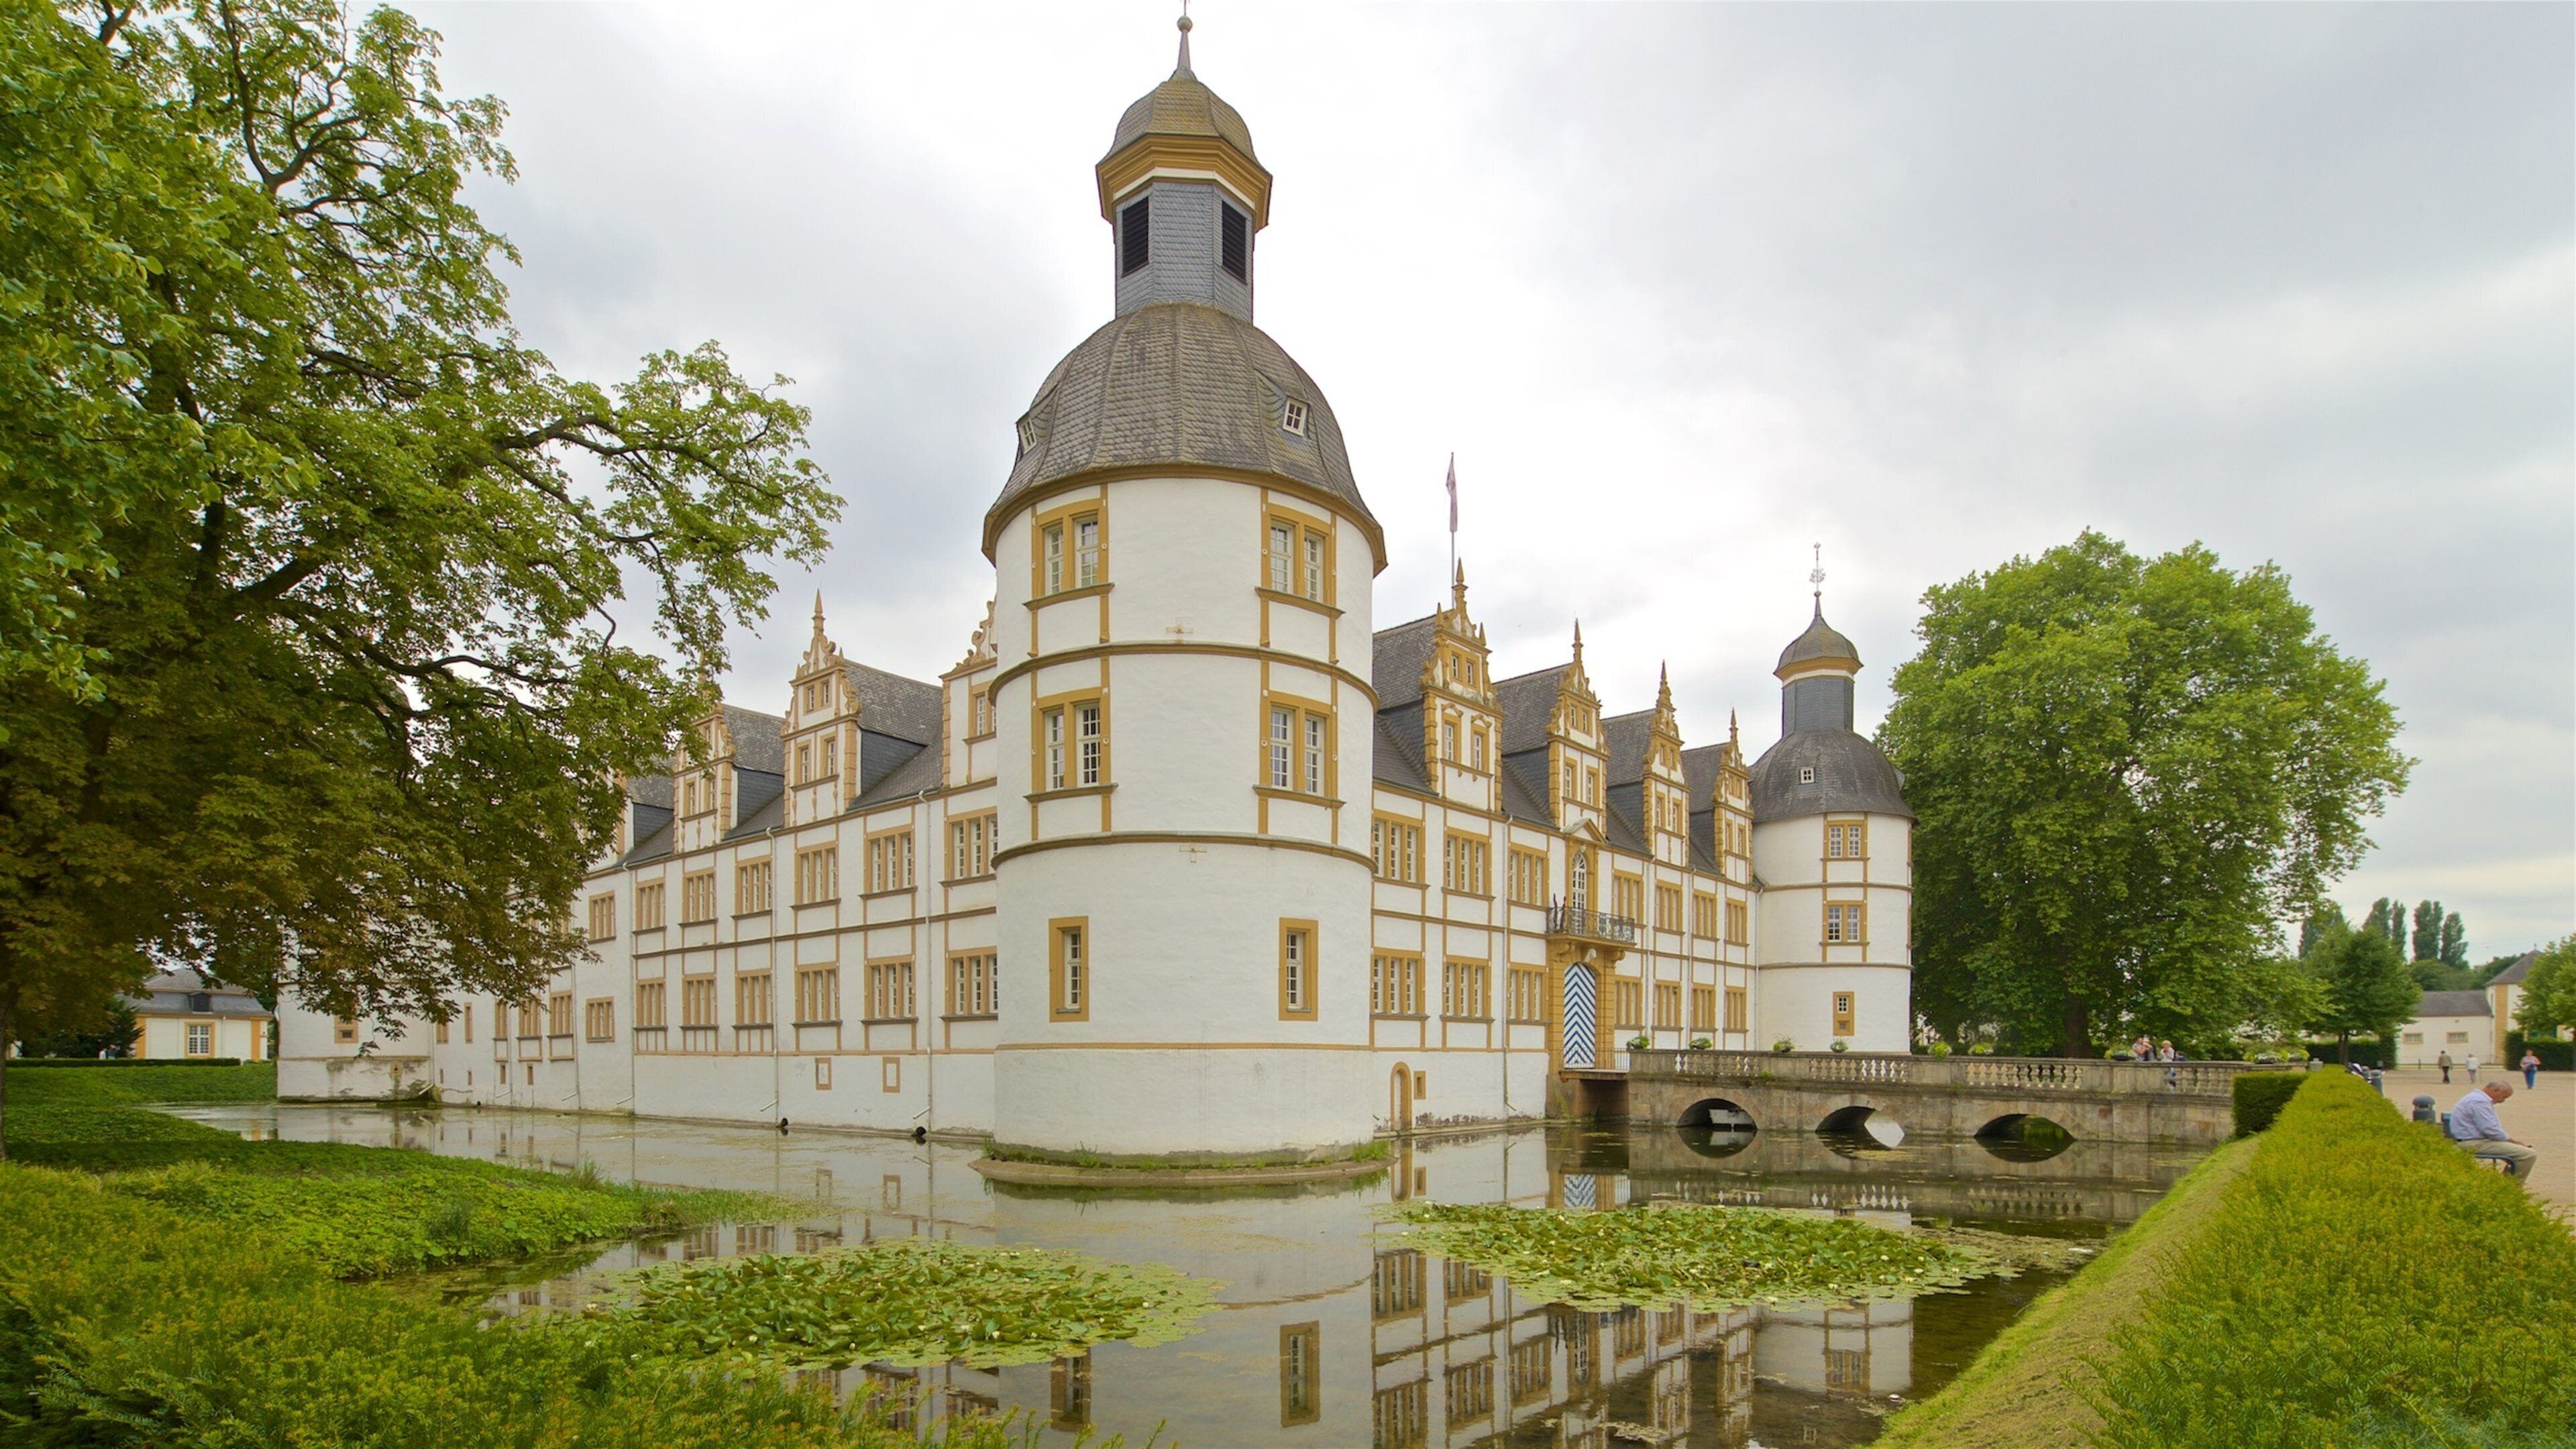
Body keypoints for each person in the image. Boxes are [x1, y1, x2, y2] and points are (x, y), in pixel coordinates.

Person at [2447, 1082, 2538, 1181]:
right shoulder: (2479, 1102)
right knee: (2528, 1155)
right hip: (2473, 1143)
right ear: (2496, 1091)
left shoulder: (2475, 1098)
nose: (2503, 1101)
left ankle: (2505, 1184)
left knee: (2518, 1152)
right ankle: (2510, 1187)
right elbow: (2490, 1130)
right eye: (2504, 1097)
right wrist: (2513, 1142)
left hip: (2472, 1140)